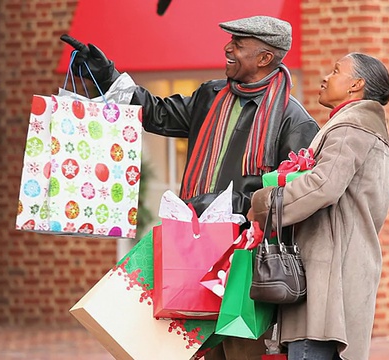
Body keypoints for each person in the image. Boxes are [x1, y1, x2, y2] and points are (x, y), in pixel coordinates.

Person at [61, 15, 319, 360]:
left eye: (239, 44)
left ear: (265, 58)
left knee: (240, 350)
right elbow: (156, 113)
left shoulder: (294, 119)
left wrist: (232, 205)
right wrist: (107, 74)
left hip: (243, 260)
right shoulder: (210, 95)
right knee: (192, 348)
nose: (228, 48)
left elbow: (293, 199)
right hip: (193, 248)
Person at [247, 52, 389, 360]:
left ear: (356, 85)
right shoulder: (364, 127)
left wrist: (265, 203)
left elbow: (324, 185)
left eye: (336, 70)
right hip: (340, 273)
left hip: (328, 281)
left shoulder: (351, 126)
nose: (326, 77)